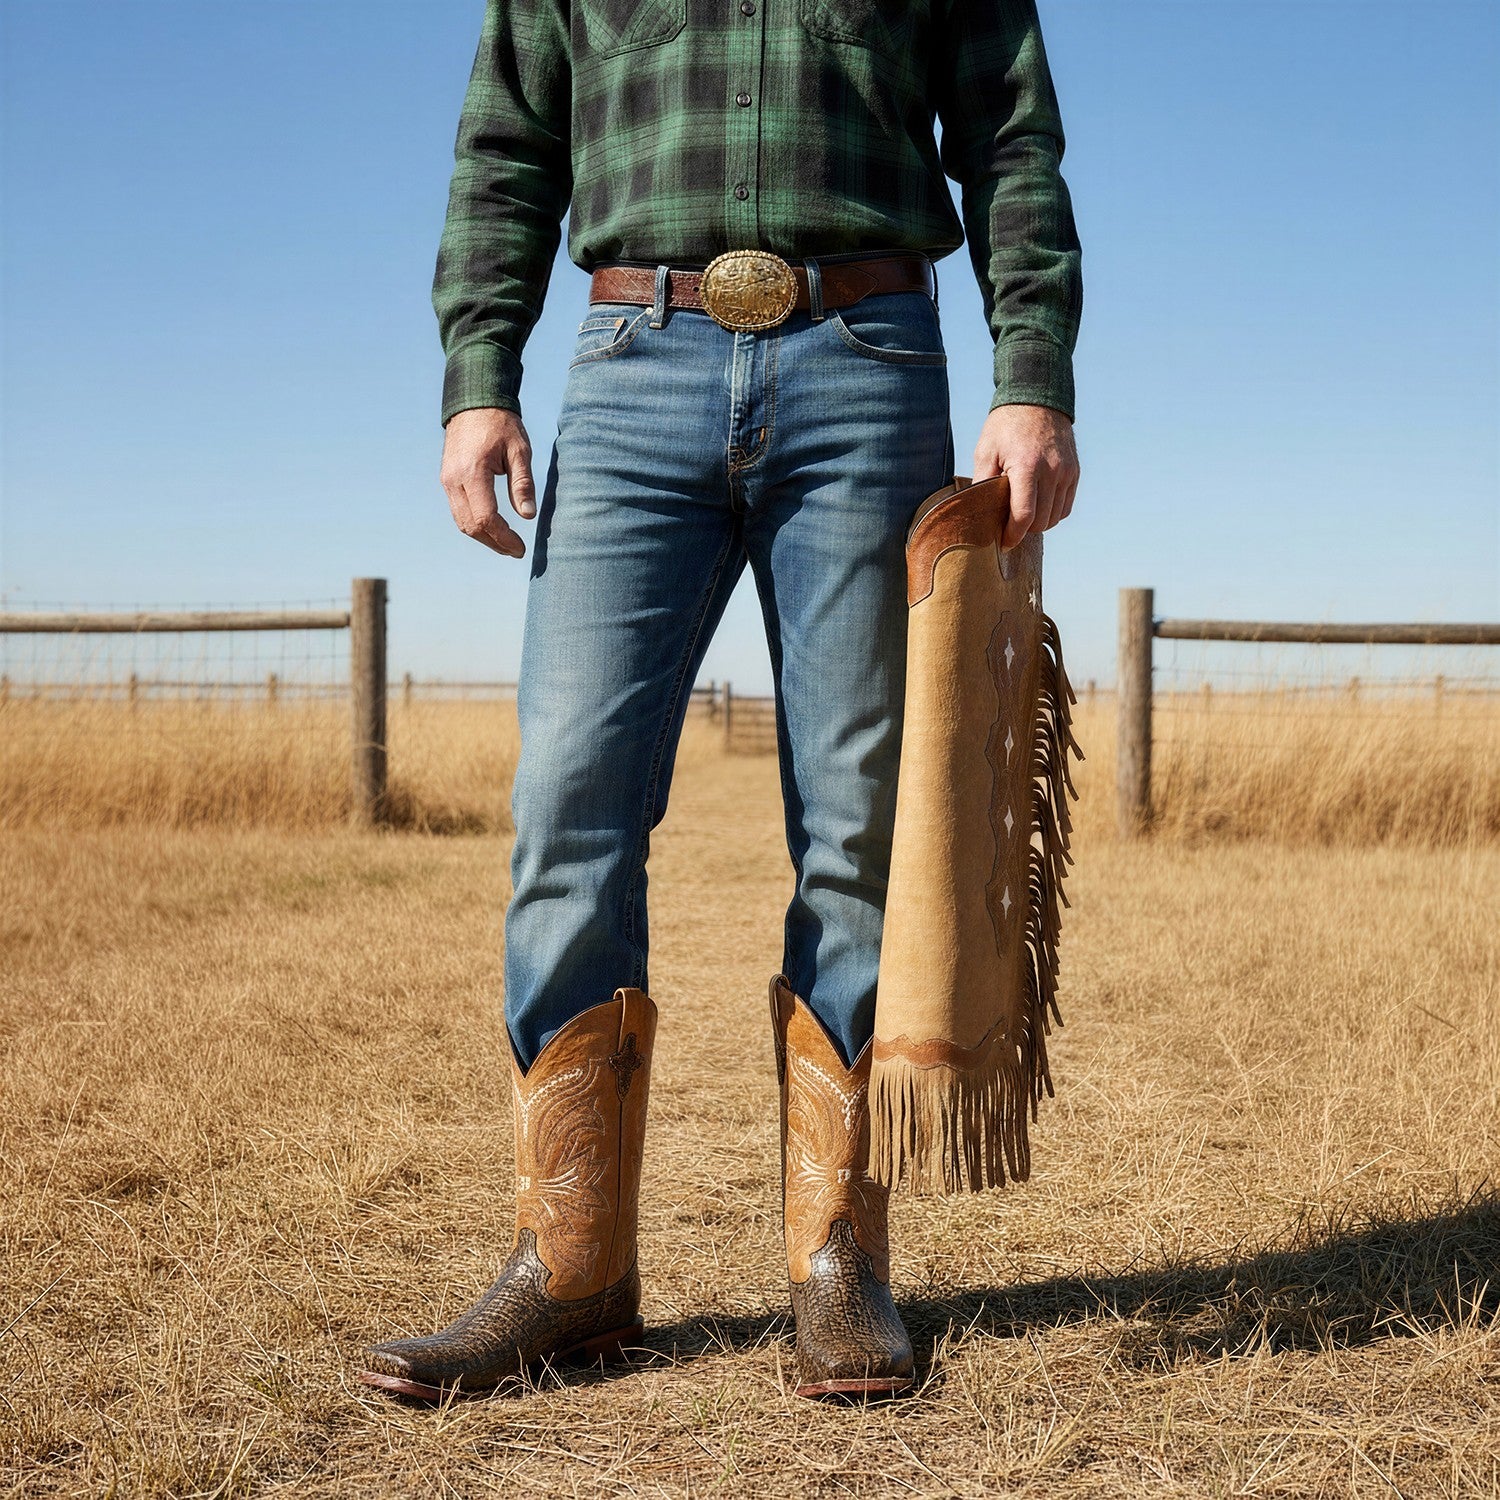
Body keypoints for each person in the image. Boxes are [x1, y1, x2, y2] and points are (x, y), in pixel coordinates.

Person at [360, 0, 1082, 1402]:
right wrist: (477, 378)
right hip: (634, 362)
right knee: (569, 796)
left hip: (869, 365)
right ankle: (571, 1272)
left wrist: (1032, 374)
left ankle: (838, 1264)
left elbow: (1008, 132)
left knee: (863, 823)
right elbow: (506, 141)